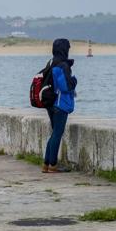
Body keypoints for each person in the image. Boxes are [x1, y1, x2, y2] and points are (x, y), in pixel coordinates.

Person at [42, 38, 77, 173]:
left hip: (50, 103)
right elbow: (65, 86)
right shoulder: (62, 65)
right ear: (64, 49)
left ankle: (46, 164)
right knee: (57, 133)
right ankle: (53, 165)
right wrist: (74, 80)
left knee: (54, 133)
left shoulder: (51, 62)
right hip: (60, 104)